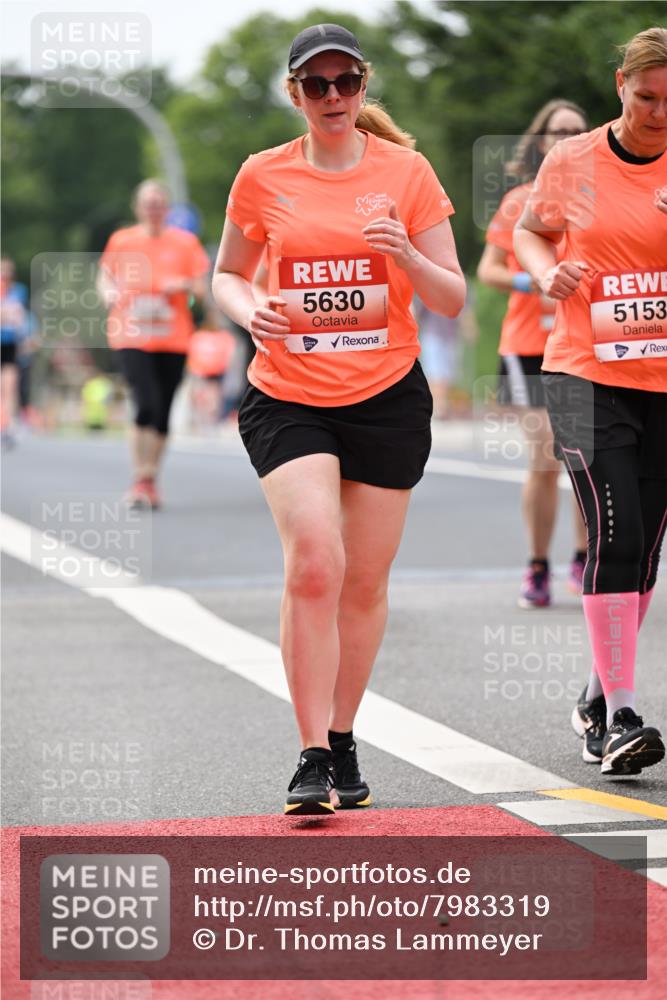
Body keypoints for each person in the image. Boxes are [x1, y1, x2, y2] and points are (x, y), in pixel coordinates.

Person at [213, 23, 465, 816]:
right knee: (315, 561)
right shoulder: (261, 176)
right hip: (287, 392)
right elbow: (225, 274)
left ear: (362, 88)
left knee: (361, 581)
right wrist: (253, 311)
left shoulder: (406, 172)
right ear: (294, 93)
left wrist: (406, 256)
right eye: (314, 84)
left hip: (386, 394)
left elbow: (451, 296)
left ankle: (344, 730)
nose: (331, 97)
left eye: (345, 82)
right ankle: (311, 753)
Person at [514, 26, 667, 774]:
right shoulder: (571, 160)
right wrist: (544, 273)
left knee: (644, 549)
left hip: (662, 382)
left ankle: (597, 695)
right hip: (582, 372)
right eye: (646, 97)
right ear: (620, 86)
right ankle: (622, 717)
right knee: (614, 529)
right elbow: (528, 232)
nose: (658, 113)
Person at [478, 101, 589, 609]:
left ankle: (585, 559)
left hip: (589, 345)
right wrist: (533, 277)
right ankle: (538, 565)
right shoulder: (520, 200)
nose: (566, 138)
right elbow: (487, 271)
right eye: (557, 131)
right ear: (540, 141)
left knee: (588, 460)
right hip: (528, 348)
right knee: (547, 457)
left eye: (577, 131)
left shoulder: (600, 196)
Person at [97, 179, 210, 508]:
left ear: (168, 209)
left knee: (162, 410)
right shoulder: (122, 239)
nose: (154, 210)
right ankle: (140, 477)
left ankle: (149, 479)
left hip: (173, 336)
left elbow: (201, 290)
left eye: (159, 204)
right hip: (130, 332)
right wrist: (109, 292)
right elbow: (105, 275)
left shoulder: (186, 243)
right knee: (145, 401)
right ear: (138, 207)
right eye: (148, 204)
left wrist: (183, 285)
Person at [1, 257, 31, 449]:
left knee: (10, 386)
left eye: (8, 273)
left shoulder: (19, 291)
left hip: (10, 343)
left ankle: (10, 425)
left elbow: (19, 317)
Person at [415, 298, 460, 419]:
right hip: (432, 334)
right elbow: (418, 313)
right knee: (434, 371)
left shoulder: (459, 283)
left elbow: (464, 309)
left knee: (447, 373)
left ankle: (442, 405)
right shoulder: (426, 283)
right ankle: (438, 406)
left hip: (450, 335)